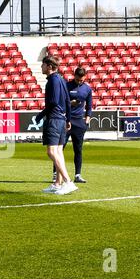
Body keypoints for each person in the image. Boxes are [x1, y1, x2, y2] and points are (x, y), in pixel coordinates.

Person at [36, 56, 78, 195]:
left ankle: (67, 181)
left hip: (54, 119)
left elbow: (52, 102)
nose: (41, 67)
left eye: (43, 65)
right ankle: (57, 184)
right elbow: (67, 100)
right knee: (59, 152)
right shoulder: (61, 80)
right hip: (61, 119)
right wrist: (68, 119)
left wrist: (40, 115)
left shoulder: (53, 81)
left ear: (49, 66)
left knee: (51, 152)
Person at [51, 67, 92, 184]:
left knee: (78, 149)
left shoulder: (87, 89)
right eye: (78, 80)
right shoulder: (66, 86)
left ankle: (78, 175)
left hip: (79, 123)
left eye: (82, 80)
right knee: (59, 148)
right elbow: (59, 103)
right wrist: (70, 103)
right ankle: (55, 174)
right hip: (66, 120)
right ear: (74, 76)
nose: (80, 82)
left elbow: (89, 106)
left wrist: (87, 120)